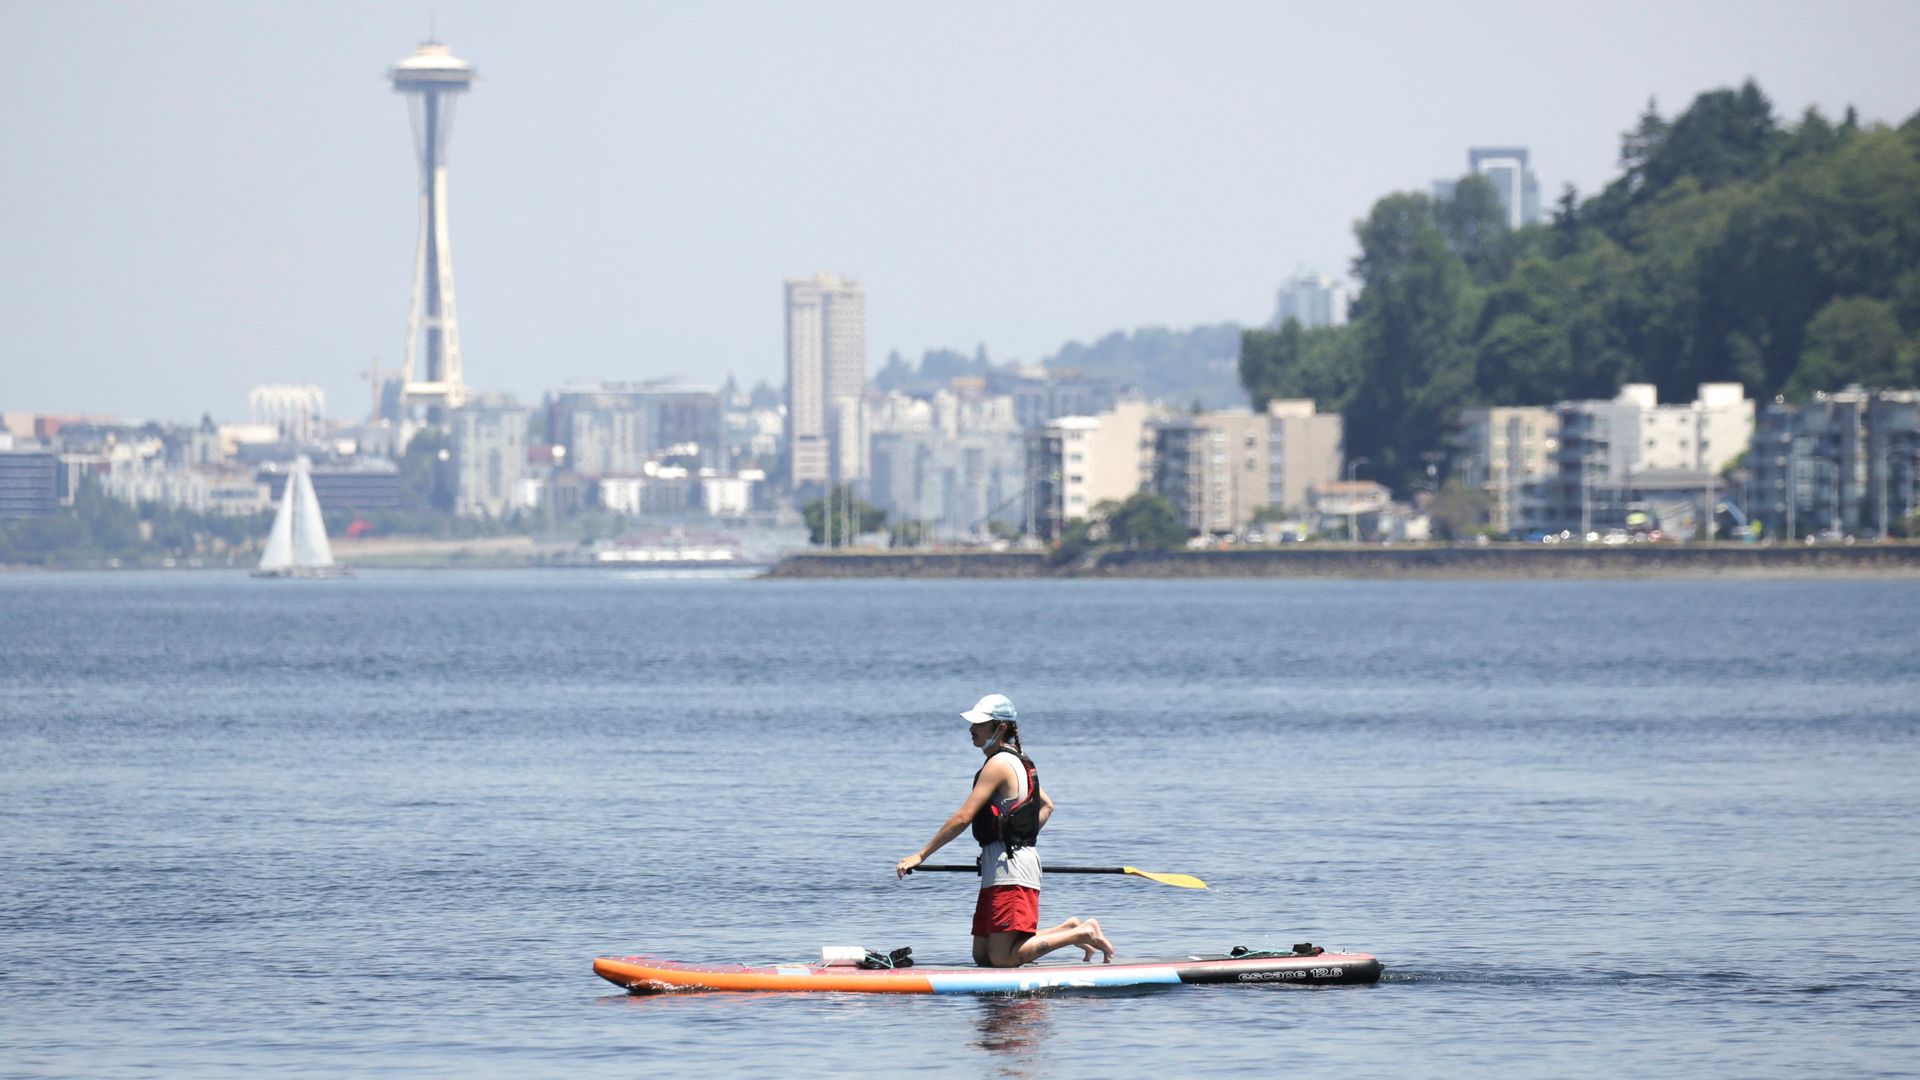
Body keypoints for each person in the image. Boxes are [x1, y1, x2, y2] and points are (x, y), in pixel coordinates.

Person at [895, 693, 1115, 967]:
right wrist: (1015, 835)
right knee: (983, 956)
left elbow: (964, 817)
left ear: (999, 728)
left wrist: (921, 855)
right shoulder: (1016, 760)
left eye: (979, 723)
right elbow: (1047, 806)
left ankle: (1080, 934)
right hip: (999, 865)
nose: (971, 729)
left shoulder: (999, 764)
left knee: (1002, 957)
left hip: (1011, 869)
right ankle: (1067, 928)